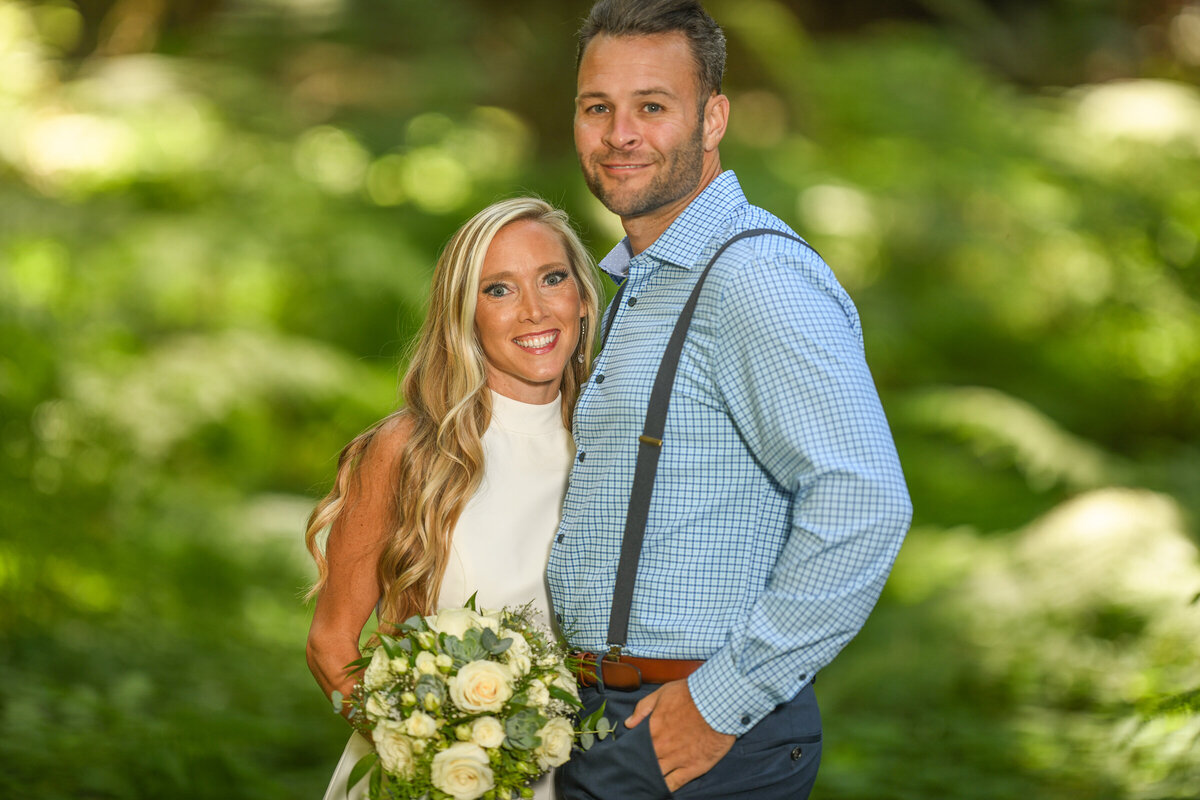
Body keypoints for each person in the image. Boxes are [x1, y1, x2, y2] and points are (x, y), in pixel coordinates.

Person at [547, 2, 913, 798]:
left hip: (693, 734)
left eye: (652, 106)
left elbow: (866, 501)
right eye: (596, 107)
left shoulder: (752, 279)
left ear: (712, 118)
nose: (620, 134)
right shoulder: (642, 284)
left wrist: (721, 703)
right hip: (604, 718)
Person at [304, 197, 602, 800]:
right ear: (463, 314)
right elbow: (329, 643)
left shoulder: (617, 444)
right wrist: (427, 754)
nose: (534, 310)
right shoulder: (409, 449)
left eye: (552, 278)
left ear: (582, 296)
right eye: (499, 290)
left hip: (586, 779)